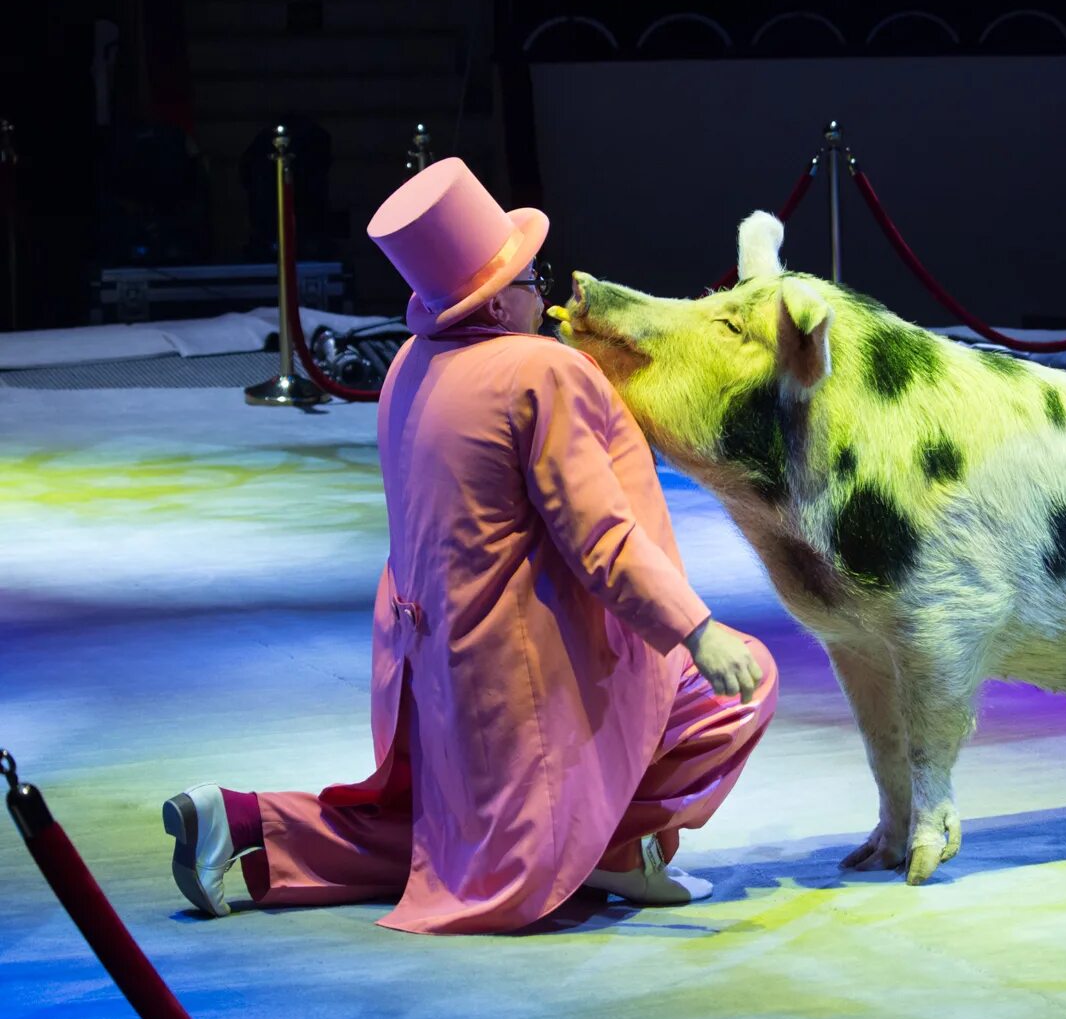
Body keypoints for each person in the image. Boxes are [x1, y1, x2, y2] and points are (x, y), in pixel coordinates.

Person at [161, 158, 778, 935]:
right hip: (529, 672)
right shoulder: (539, 370)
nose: (543, 291)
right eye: (532, 274)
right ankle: (616, 846)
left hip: (432, 670)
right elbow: (602, 538)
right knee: (741, 687)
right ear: (500, 292)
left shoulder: (408, 369)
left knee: (443, 837)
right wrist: (696, 626)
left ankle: (245, 825)